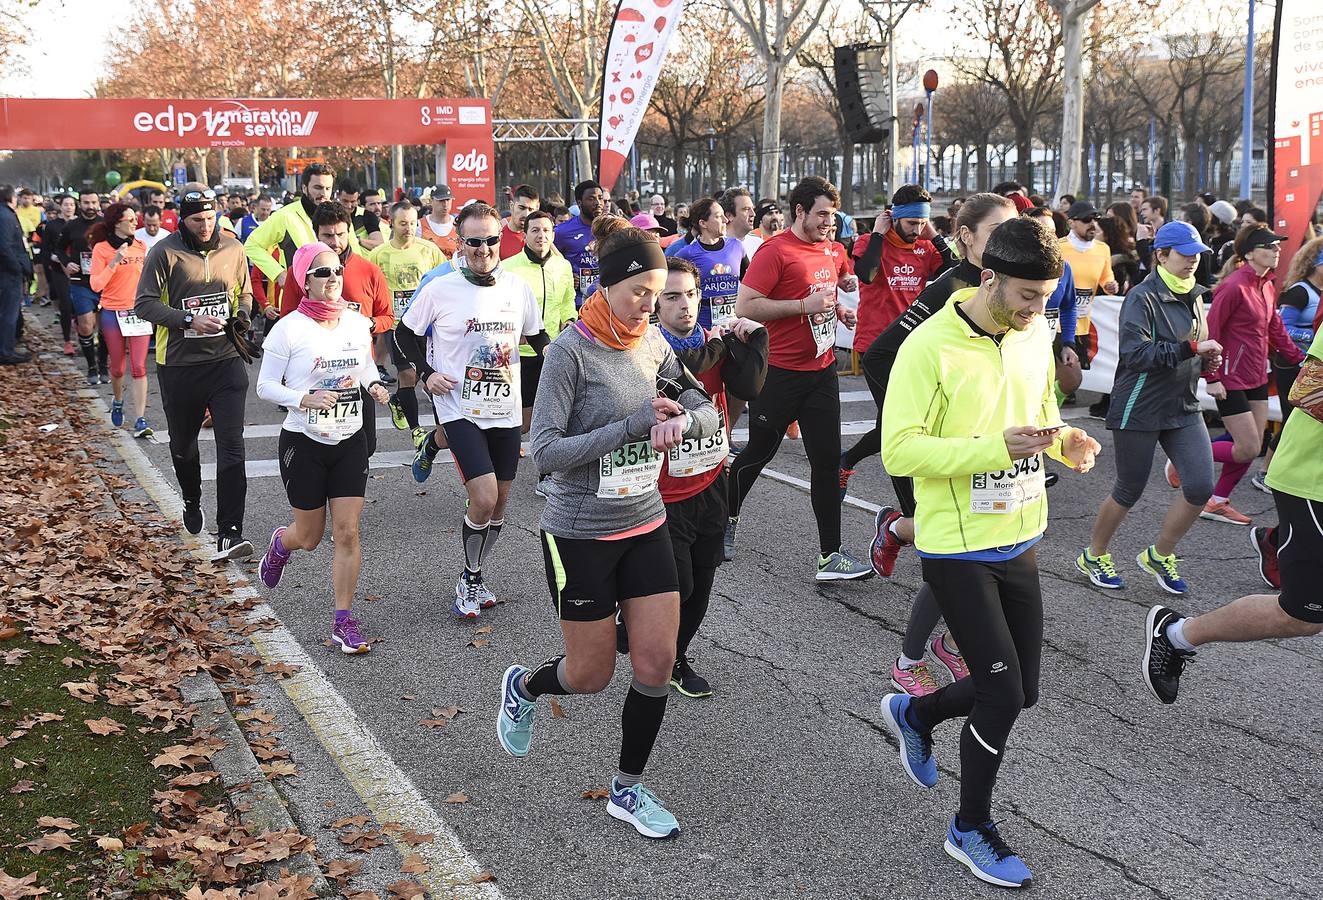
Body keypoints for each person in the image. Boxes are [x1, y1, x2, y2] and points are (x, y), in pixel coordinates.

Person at [879, 217, 1100, 888]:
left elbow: (1040, 408)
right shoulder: (929, 347)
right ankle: (969, 826)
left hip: (1019, 529)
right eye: (1028, 297)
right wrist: (993, 448)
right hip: (955, 543)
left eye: (1047, 297)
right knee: (1001, 692)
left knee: (1022, 690)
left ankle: (914, 712)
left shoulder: (1033, 333)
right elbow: (900, 449)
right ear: (988, 278)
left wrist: (1066, 441)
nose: (1040, 311)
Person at [497, 215, 719, 839]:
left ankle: (629, 788)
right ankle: (525, 684)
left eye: (660, 291)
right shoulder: (571, 352)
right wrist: (632, 427)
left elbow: (703, 407)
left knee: (655, 661)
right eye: (642, 291)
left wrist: (683, 424)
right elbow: (545, 450)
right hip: (579, 530)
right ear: (609, 285)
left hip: (645, 520)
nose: (652, 304)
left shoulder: (652, 344)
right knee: (590, 675)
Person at [859, 193, 1016, 697]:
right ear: (967, 236)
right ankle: (910, 661)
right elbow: (882, 356)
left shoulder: (1012, 284)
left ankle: (948, 639)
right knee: (953, 553)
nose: (1009, 241)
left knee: (984, 550)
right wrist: (914, 418)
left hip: (991, 448)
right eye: (997, 232)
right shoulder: (950, 287)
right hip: (942, 450)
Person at [1143, 328, 1323, 704]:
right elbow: (1307, 391)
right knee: (1301, 616)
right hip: (1313, 481)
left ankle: (1275, 542)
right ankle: (1176, 634)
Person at [395, 203, 549, 617]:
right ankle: (468, 577)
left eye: (491, 240)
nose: (483, 249)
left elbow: (538, 338)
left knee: (500, 503)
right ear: (460, 243)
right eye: (474, 242)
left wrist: (561, 360)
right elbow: (402, 336)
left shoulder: (517, 288)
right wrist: (427, 374)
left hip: (504, 405)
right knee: (481, 498)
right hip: (457, 405)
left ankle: (475, 574)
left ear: (502, 238)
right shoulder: (440, 288)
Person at [724, 176, 872, 580]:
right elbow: (747, 306)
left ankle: (831, 555)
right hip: (780, 374)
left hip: (822, 371)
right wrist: (803, 305)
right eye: (822, 214)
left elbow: (835, 280)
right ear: (800, 212)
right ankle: (726, 517)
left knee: (826, 463)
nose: (829, 221)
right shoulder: (775, 251)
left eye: (833, 215)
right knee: (758, 453)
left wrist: (838, 310)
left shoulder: (831, 247)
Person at [256, 242, 390, 655]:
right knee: (311, 537)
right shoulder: (288, 329)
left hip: (350, 438)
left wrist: (374, 384)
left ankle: (343, 621)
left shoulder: (354, 322)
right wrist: (302, 398)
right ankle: (283, 543)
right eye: (322, 273)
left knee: (347, 532)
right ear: (305, 281)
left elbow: (364, 363)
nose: (333, 279)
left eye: (336, 271)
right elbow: (264, 386)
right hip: (304, 440)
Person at [1076, 222, 1222, 594]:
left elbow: (1192, 346)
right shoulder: (1142, 297)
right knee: (1129, 488)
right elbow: (1137, 355)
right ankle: (1094, 554)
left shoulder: (1195, 294)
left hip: (1183, 405)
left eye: (1196, 255)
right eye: (1185, 255)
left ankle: (1160, 554)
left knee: (1201, 486)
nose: (1192, 262)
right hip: (1139, 405)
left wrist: (1207, 364)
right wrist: (1191, 350)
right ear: (1161, 255)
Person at [649, 257, 768, 695]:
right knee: (678, 583)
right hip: (663, 491)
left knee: (703, 578)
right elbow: (690, 368)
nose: (685, 305)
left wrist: (757, 337)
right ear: (655, 304)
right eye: (673, 296)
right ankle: (638, 621)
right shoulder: (649, 349)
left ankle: (677, 657)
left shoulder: (712, 340)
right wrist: (719, 341)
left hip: (711, 479)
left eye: (692, 295)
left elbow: (750, 387)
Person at [134, 184, 255, 561]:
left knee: (232, 447)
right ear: (181, 219)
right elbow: (144, 305)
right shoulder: (164, 252)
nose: (205, 226)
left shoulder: (233, 248)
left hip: (225, 362)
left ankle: (230, 533)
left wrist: (242, 318)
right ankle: (191, 498)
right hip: (181, 366)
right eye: (196, 220)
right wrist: (188, 319)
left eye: (210, 218)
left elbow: (245, 292)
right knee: (184, 447)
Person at [838, 185, 956, 495]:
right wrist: (878, 234)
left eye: (921, 223)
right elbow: (866, 273)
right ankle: (909, 507)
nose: (916, 230)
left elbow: (957, 270)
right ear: (895, 218)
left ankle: (846, 460)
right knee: (897, 424)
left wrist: (933, 234)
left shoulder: (925, 246)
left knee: (897, 422)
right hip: (876, 347)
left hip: (913, 345)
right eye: (911, 224)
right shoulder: (868, 242)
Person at [1200, 226, 1306, 525]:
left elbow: (1275, 328)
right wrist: (1213, 377)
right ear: (1248, 253)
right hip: (1229, 376)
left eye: (1277, 245)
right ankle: (1187, 458)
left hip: (1257, 374)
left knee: (1251, 447)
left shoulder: (1268, 284)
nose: (1276, 250)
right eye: (1268, 246)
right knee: (1246, 447)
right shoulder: (1233, 286)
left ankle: (1217, 501)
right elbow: (1213, 332)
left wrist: (1301, 361)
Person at [282, 203, 393, 456]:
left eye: (341, 234)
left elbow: (387, 316)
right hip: (313, 375)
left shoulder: (369, 270)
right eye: (327, 235)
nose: (335, 242)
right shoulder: (299, 274)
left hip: (357, 372)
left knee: (366, 445)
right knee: (316, 446)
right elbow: (286, 319)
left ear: (350, 232)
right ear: (316, 234)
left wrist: (371, 323)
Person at [1250, 236, 1323, 491]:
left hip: (1308, 365)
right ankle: (1265, 471)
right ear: (1316, 264)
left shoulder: (1319, 292)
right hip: (1291, 365)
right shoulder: (1300, 291)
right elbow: (1284, 327)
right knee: (1293, 419)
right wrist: (1315, 338)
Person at [370, 201, 446, 447]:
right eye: (403, 223)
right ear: (391, 223)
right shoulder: (379, 254)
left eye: (413, 223)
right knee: (407, 374)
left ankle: (440, 427)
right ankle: (416, 430)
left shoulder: (429, 250)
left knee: (431, 375)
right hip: (397, 326)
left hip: (427, 326)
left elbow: (442, 281)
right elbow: (371, 288)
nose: (409, 228)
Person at [246, 164, 360, 318]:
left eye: (328, 188)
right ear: (305, 188)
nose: (323, 194)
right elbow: (252, 245)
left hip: (338, 301)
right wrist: (279, 274)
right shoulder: (285, 216)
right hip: (298, 303)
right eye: (318, 188)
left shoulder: (339, 215)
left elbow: (356, 256)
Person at [504, 210, 575, 441]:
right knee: (522, 422)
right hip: (519, 354)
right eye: (535, 230)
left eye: (546, 230)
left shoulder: (562, 266)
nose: (541, 235)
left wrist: (570, 320)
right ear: (524, 235)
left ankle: (547, 470)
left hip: (552, 351)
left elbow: (567, 301)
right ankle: (503, 452)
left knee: (552, 418)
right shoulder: (508, 268)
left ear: (553, 235)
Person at [89, 203, 153, 436]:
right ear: (117, 223)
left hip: (138, 313)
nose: (136, 223)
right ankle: (117, 401)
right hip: (112, 313)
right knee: (117, 368)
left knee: (138, 366)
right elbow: (96, 284)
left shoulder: (140, 246)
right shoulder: (101, 249)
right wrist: (115, 262)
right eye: (131, 220)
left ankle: (140, 419)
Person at [57, 189, 109, 384]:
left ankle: (103, 365)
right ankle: (91, 367)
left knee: (105, 328)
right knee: (86, 325)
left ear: (98, 203)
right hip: (81, 282)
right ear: (80, 204)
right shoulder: (72, 226)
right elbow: (59, 248)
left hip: (104, 281)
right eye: (86, 203)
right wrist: (66, 262)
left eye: (93, 202)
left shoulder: (107, 225)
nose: (90, 207)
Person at [673, 198, 748, 329]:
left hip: (734, 325)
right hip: (703, 327)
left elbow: (750, 284)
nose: (726, 220)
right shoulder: (688, 253)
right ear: (703, 223)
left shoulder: (737, 247)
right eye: (719, 216)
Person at [555, 180, 607, 307]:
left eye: (600, 198)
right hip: (577, 303)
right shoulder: (562, 232)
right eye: (591, 199)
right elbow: (549, 262)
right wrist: (565, 277)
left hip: (606, 300)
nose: (598, 203)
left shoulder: (610, 227)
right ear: (579, 203)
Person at [0, 186, 32, 365]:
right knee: (8, 313)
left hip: (8, 271)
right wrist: (17, 267)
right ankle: (5, 351)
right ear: (11, 197)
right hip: (8, 273)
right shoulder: (5, 216)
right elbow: (4, 246)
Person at [335, 178, 385, 250]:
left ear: (358, 197)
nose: (349, 206)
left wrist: (357, 240)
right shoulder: (330, 214)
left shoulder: (367, 216)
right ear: (338, 195)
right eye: (345, 201)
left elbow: (379, 244)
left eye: (353, 201)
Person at [721, 188, 762, 259]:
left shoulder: (758, 243)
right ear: (729, 215)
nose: (753, 214)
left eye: (753, 209)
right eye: (746, 209)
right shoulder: (714, 244)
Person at [500, 184, 540, 259]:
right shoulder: (497, 236)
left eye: (531, 209)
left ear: (537, 209)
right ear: (512, 206)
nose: (526, 214)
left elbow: (560, 264)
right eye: (521, 208)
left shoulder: (541, 237)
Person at [418, 184, 458, 258]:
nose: (445, 204)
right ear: (431, 201)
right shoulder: (419, 226)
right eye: (441, 200)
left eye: (448, 200)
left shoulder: (458, 225)